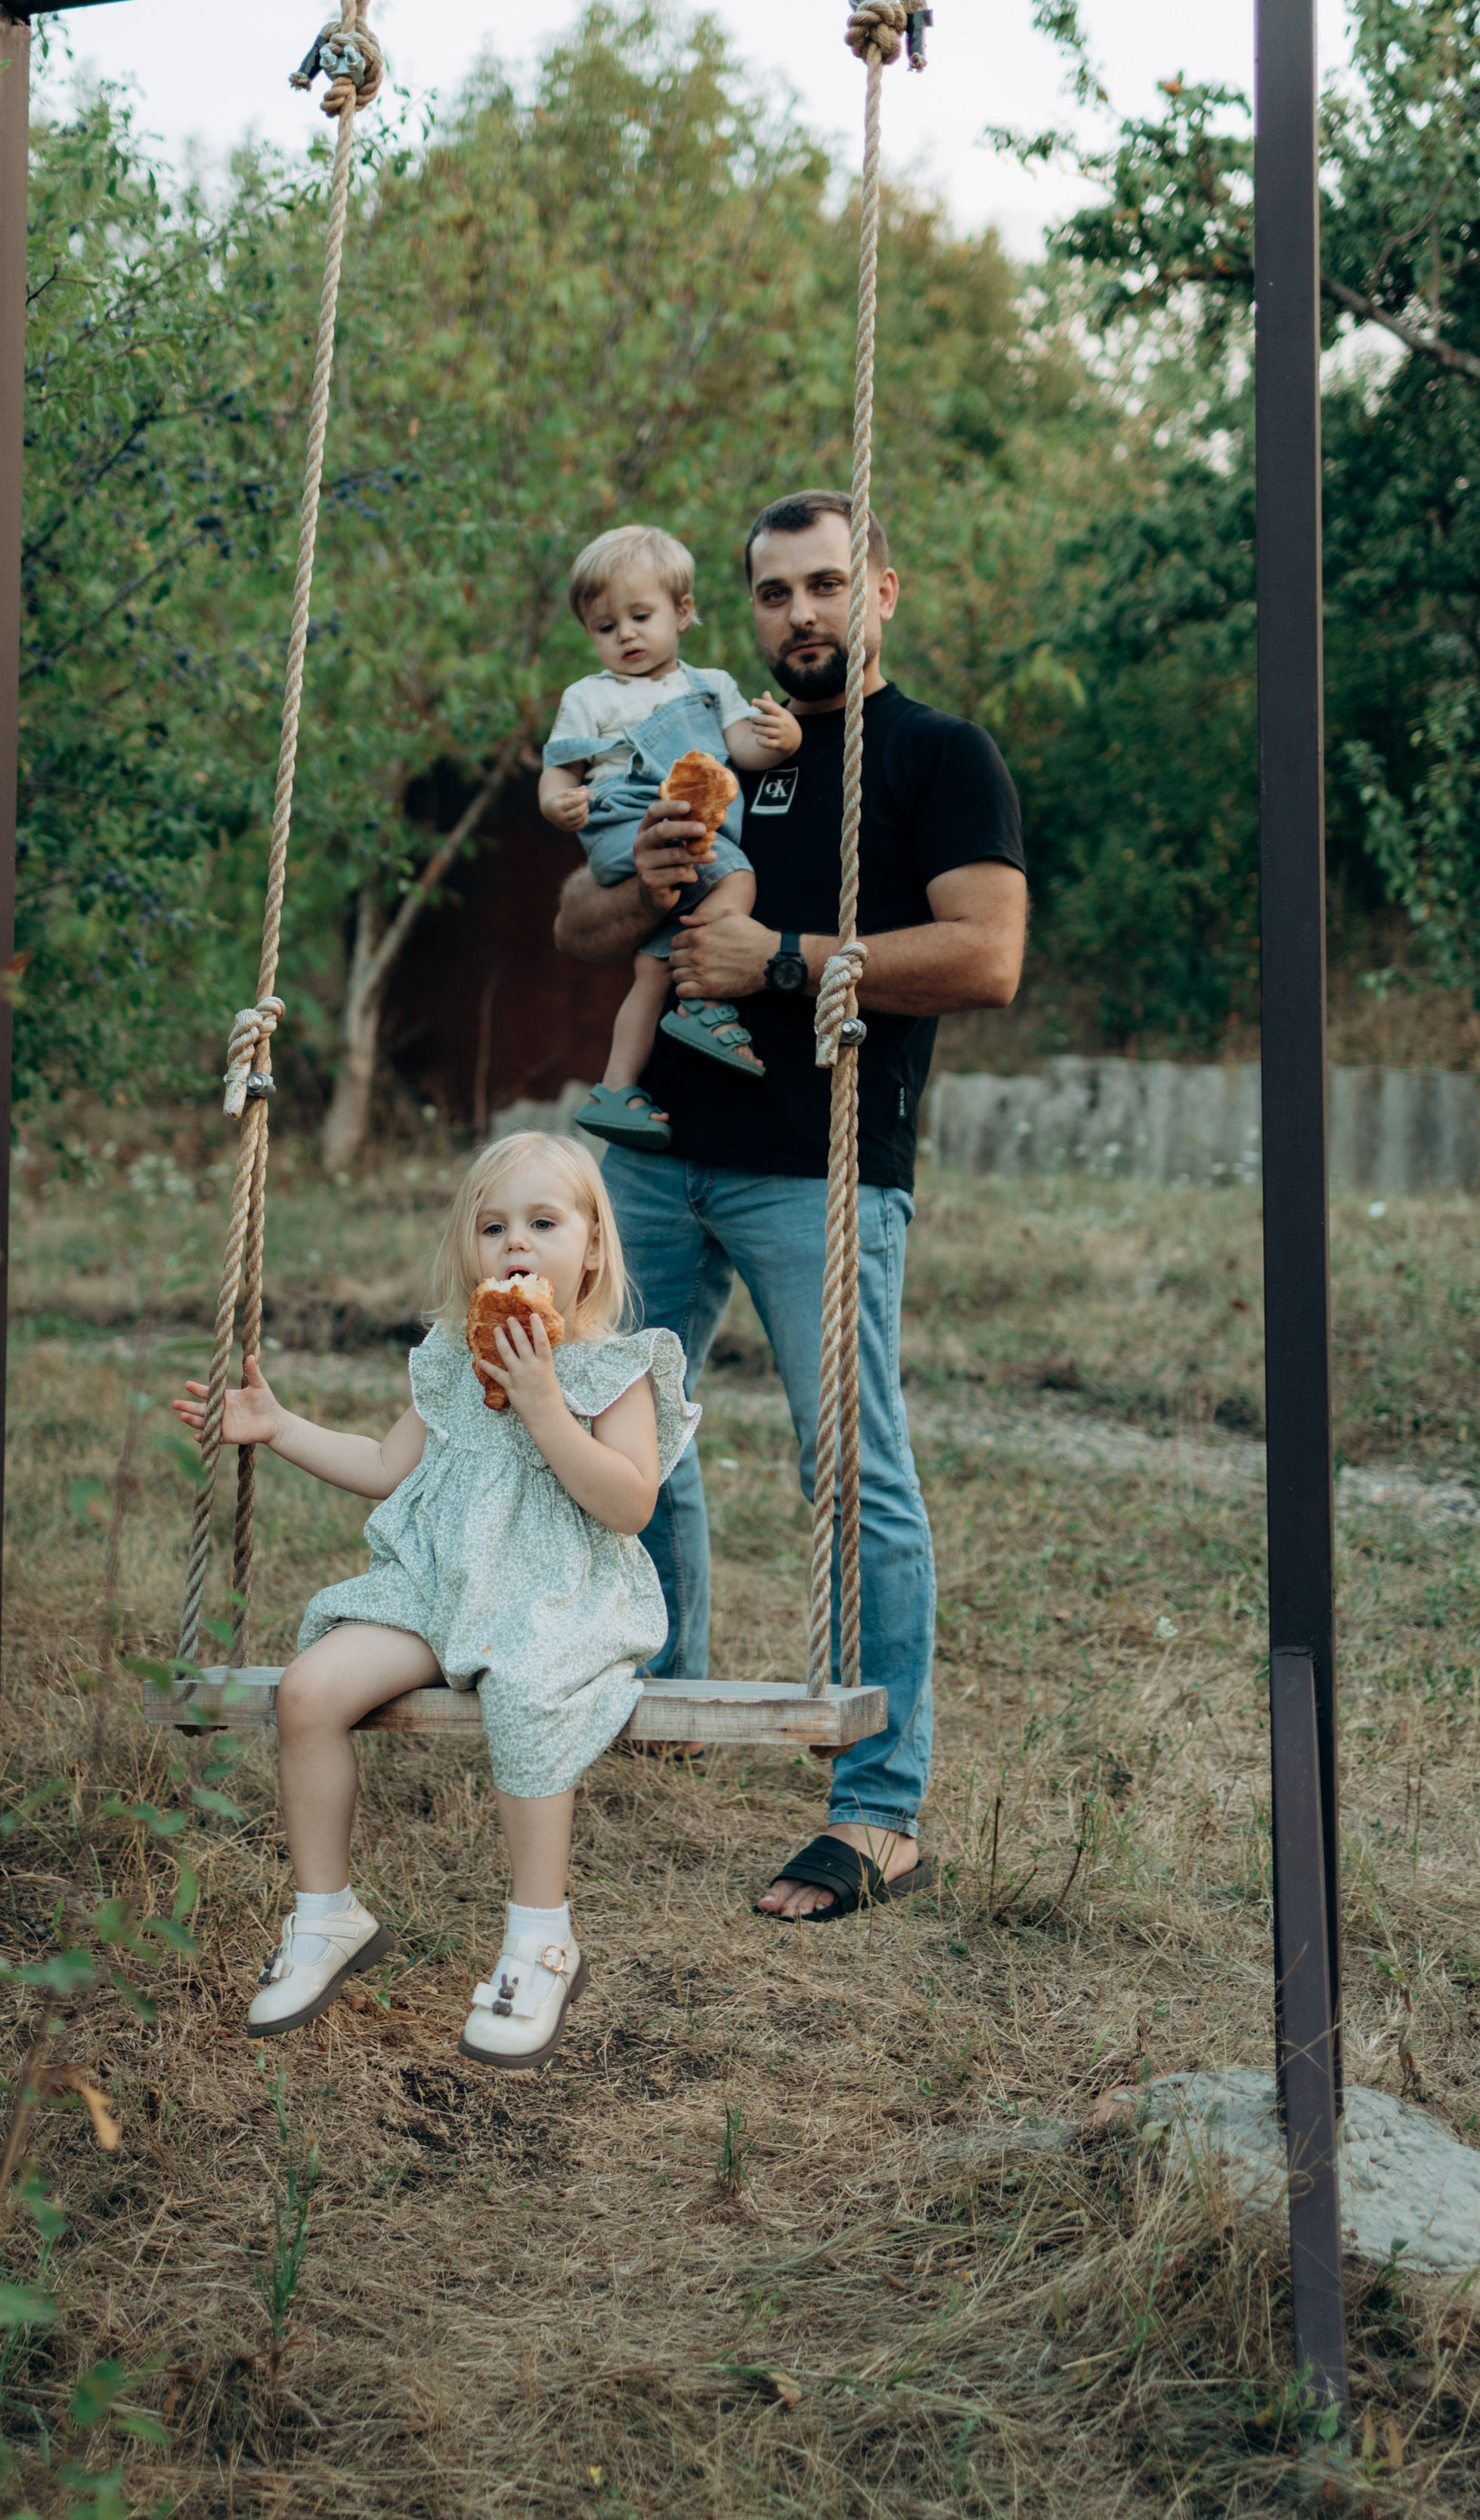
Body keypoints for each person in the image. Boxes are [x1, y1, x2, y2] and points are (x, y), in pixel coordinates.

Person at [552, 489, 1026, 1923]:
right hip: (655, 1158)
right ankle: (669, 1694)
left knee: (853, 1470)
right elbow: (579, 926)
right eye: (776, 593)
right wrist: (642, 882)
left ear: (883, 592)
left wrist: (784, 956)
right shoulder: (699, 731)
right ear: (742, 608)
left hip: (819, 1165)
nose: (801, 615)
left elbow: (986, 956)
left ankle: (879, 1813)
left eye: (827, 586)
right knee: (616, 1425)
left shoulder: (943, 757)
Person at [173, 1135, 697, 2066]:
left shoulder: (618, 1369)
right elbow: (384, 1467)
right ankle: (326, 1915)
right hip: (438, 1588)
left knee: (527, 1698)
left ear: (592, 1251)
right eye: (493, 1228)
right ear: (469, 1254)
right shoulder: (455, 1360)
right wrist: (279, 1427)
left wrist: (542, 1401)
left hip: (556, 1598)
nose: (516, 1246)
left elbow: (629, 1502)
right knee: (309, 1691)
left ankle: (540, 1940)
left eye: (543, 1223)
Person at [537, 522, 800, 1152]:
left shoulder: (711, 686)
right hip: (623, 818)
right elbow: (558, 772)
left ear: (683, 613)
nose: (625, 635)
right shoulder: (590, 695)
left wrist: (783, 740)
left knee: (651, 968)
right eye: (606, 627)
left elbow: (741, 750)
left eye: (639, 616)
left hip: (686, 820)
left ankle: (616, 1089)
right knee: (738, 878)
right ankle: (704, 1003)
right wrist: (558, 806)